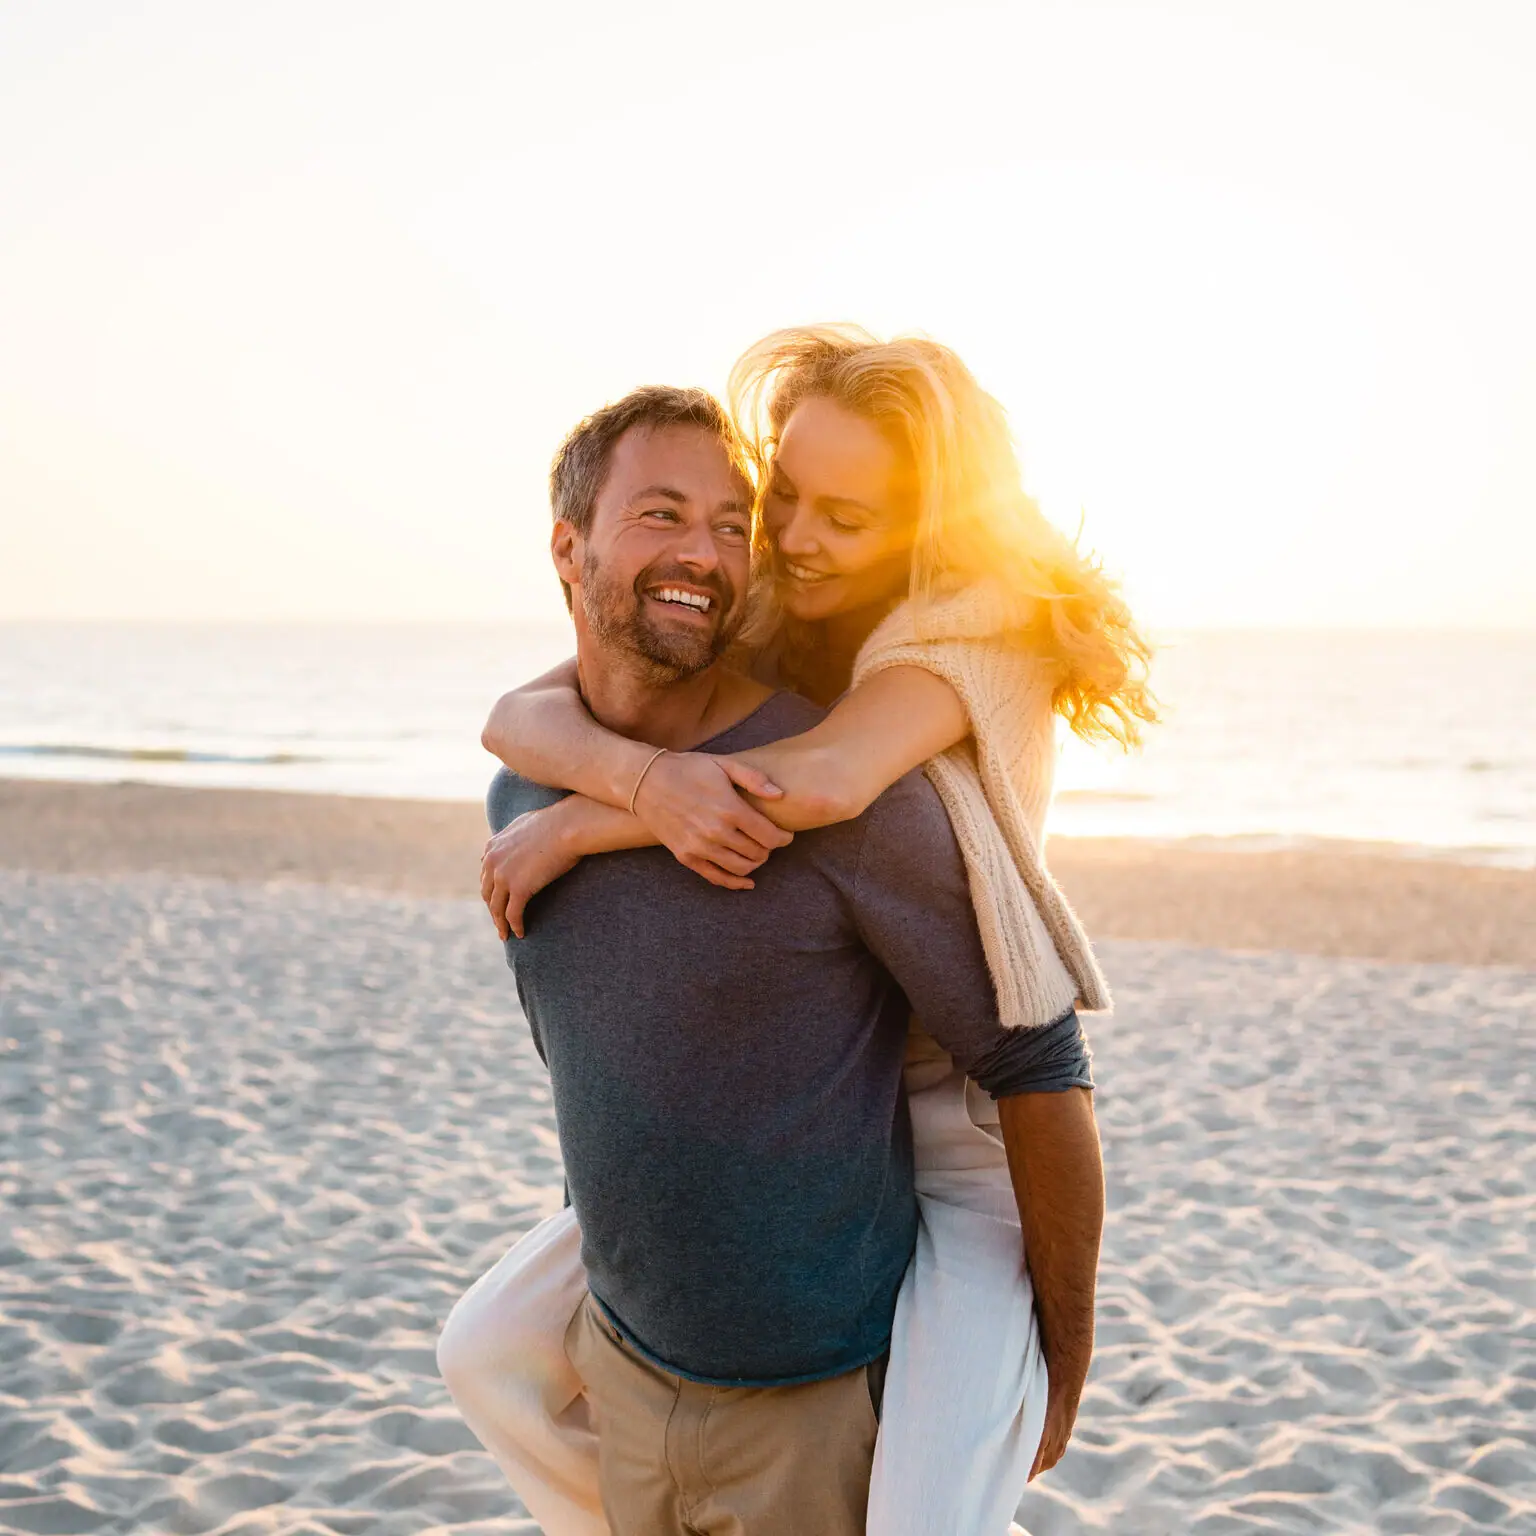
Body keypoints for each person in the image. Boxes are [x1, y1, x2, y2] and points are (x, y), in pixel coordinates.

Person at [441, 329, 1150, 1533]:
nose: (795, 539)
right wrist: (628, 774)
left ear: (926, 529)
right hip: (819, 1096)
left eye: (850, 517)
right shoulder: (769, 589)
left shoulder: (972, 632)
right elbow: (518, 716)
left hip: (959, 1106)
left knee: (931, 1516)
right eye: (789, 499)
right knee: (486, 1355)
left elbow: (815, 783)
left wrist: (584, 826)